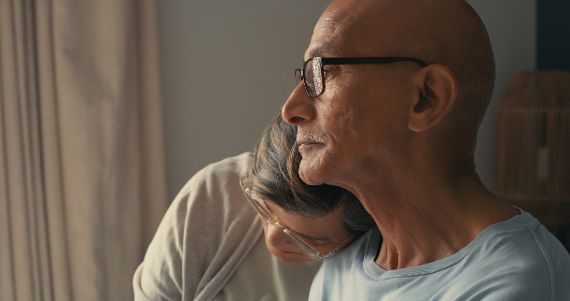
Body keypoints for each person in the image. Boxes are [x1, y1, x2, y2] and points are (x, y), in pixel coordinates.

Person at [280, 0, 570, 300]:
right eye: (303, 75)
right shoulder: (338, 273)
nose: (290, 110)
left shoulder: (518, 283)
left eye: (323, 71)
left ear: (425, 99)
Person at [132, 114, 374, 301]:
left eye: (307, 240)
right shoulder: (215, 195)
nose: (274, 240)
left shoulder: (374, 259)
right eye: (265, 210)